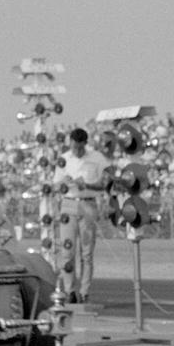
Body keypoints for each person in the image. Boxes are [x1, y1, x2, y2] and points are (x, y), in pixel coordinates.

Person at [58, 128, 109, 303]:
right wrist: (65, 183)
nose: (77, 151)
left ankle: (84, 291)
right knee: (67, 251)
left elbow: (105, 184)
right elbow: (56, 183)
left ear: (85, 145)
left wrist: (86, 184)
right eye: (74, 148)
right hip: (68, 203)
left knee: (86, 253)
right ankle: (69, 290)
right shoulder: (64, 159)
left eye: (80, 148)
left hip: (87, 203)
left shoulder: (96, 158)